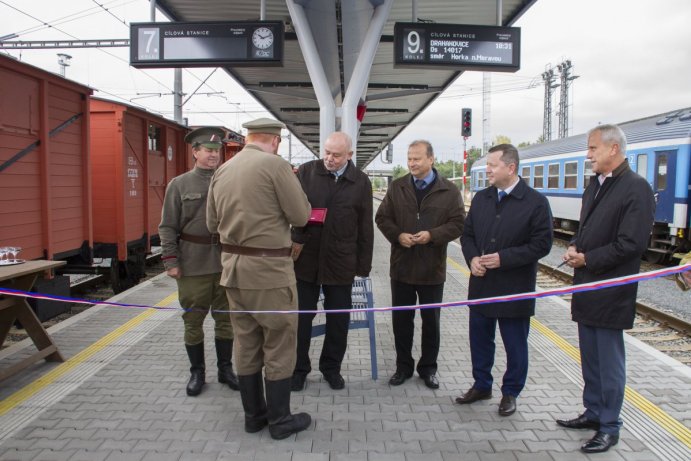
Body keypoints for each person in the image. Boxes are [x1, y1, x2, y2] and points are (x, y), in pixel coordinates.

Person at [206, 117, 313, 440]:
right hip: (269, 275)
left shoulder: (223, 169)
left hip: (233, 273)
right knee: (279, 344)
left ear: (249, 138)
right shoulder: (275, 166)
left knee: (246, 342)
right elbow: (301, 215)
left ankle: (253, 417)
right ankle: (280, 421)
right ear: (275, 141)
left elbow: (212, 223)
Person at [556, 124, 655, 453]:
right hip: (587, 288)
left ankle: (610, 426)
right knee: (591, 361)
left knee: (609, 363)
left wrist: (587, 259)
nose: (588, 155)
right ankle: (594, 412)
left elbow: (632, 244)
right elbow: (585, 230)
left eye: (593, 148)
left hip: (611, 292)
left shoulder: (636, 188)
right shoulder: (594, 186)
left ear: (613, 149)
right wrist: (573, 246)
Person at [457, 143, 552, 416]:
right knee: (480, 339)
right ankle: (481, 384)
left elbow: (542, 244)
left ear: (510, 168)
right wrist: (473, 259)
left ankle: (510, 392)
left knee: (515, 344)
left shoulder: (535, 202)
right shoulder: (482, 198)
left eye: (492, 165)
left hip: (515, 289)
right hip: (482, 285)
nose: (487, 169)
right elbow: (468, 236)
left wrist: (504, 258)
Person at [375, 140, 465, 389]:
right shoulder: (398, 187)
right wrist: (397, 235)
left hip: (432, 269)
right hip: (402, 268)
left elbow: (458, 223)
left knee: (431, 322)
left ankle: (428, 369)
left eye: (417, 158)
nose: (412, 163)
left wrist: (432, 235)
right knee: (401, 321)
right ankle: (403, 367)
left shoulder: (449, 191)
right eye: (409, 158)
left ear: (431, 159)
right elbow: (382, 217)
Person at [289, 132, 374, 391]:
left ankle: (331, 368)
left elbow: (365, 226)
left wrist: (363, 266)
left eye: (336, 155)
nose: (329, 158)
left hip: (341, 261)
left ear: (349, 155)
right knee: (301, 319)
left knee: (339, 320)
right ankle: (299, 369)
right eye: (326, 152)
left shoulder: (360, 182)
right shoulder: (306, 172)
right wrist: (296, 239)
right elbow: (292, 211)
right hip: (307, 262)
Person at [158, 126, 239, 397]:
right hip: (193, 263)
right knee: (193, 320)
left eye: (217, 150)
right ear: (195, 152)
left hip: (226, 261)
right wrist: (171, 260)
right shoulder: (180, 185)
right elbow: (167, 226)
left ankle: (226, 370)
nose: (214, 155)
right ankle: (197, 372)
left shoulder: (230, 180)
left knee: (226, 319)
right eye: (208, 150)